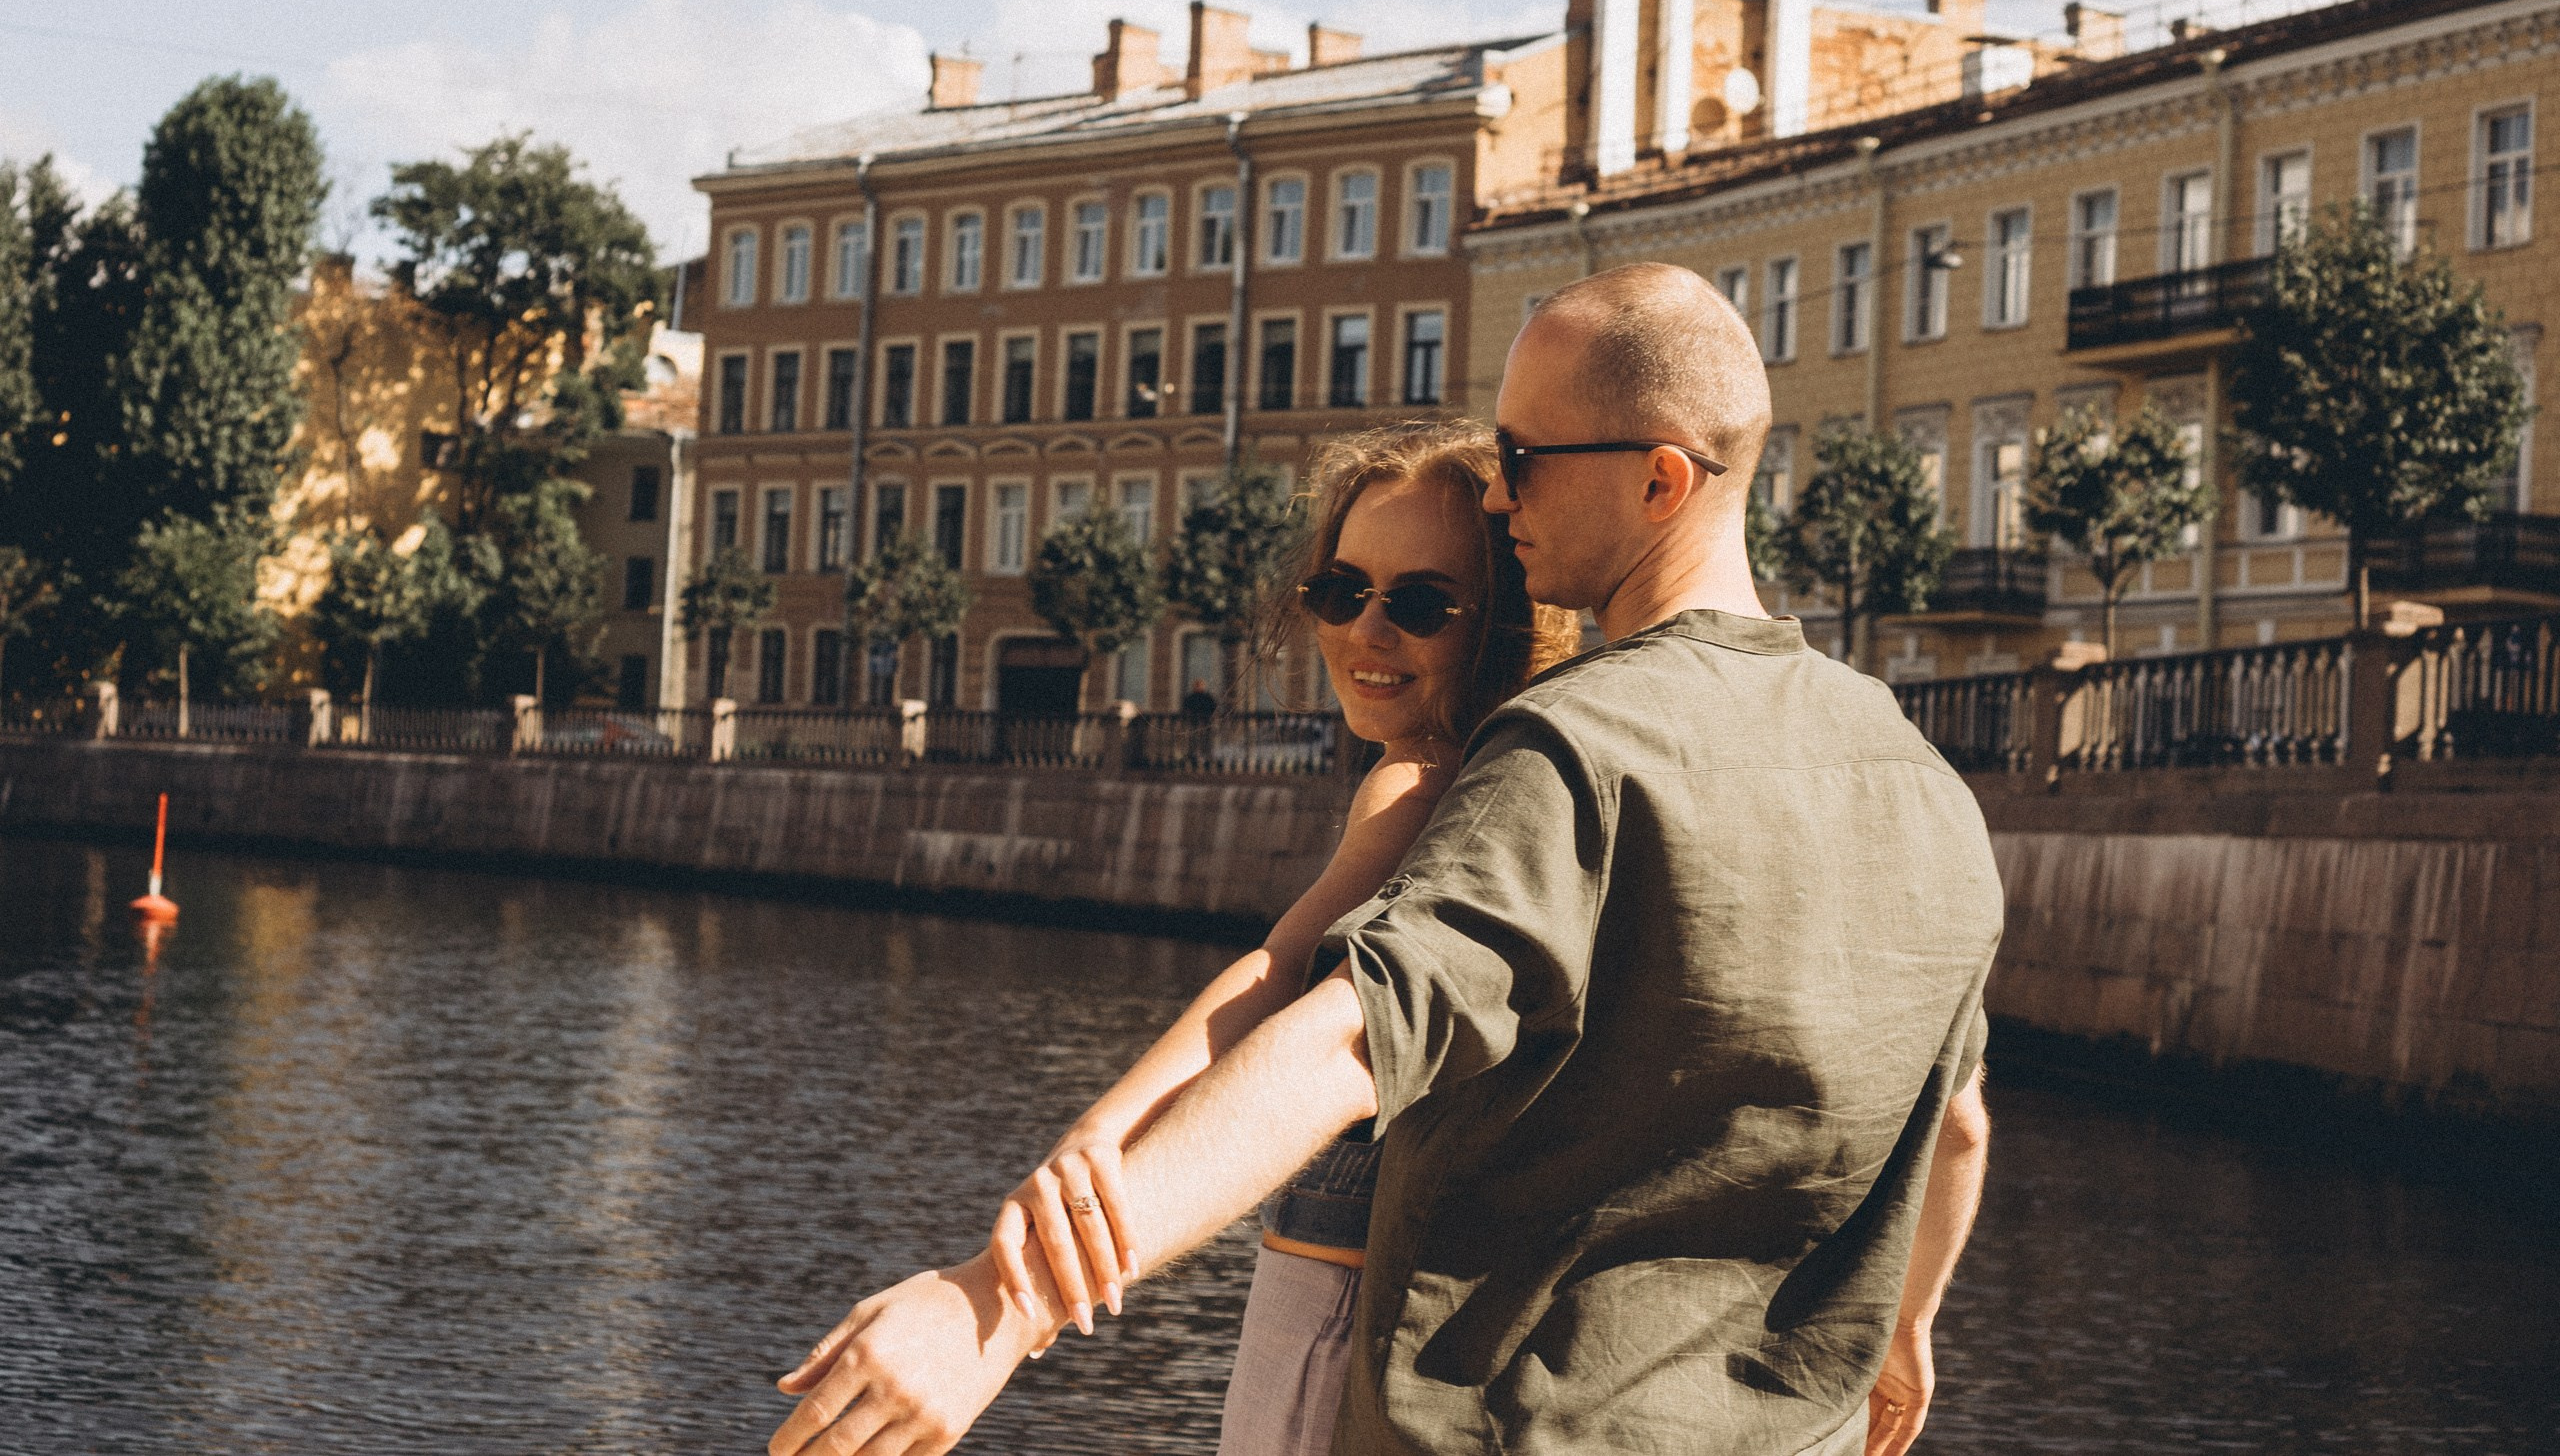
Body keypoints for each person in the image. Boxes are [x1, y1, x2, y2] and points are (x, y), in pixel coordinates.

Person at [770, 262, 2005, 1456]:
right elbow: (1953, 1126)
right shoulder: (1919, 781)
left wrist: (1000, 1307)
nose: (1501, 496)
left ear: (1659, 480)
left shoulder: (1579, 743)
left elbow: (1345, 1040)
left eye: (1524, 457)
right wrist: (1907, 1326)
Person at [981, 422, 1579, 1456]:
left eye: (1421, 605)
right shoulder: (1539, 781)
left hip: (1337, 1298)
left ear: (1506, 623)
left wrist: (1094, 1143)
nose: (1365, 631)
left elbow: (1277, 974)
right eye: (1340, 591)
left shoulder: (1420, 778)